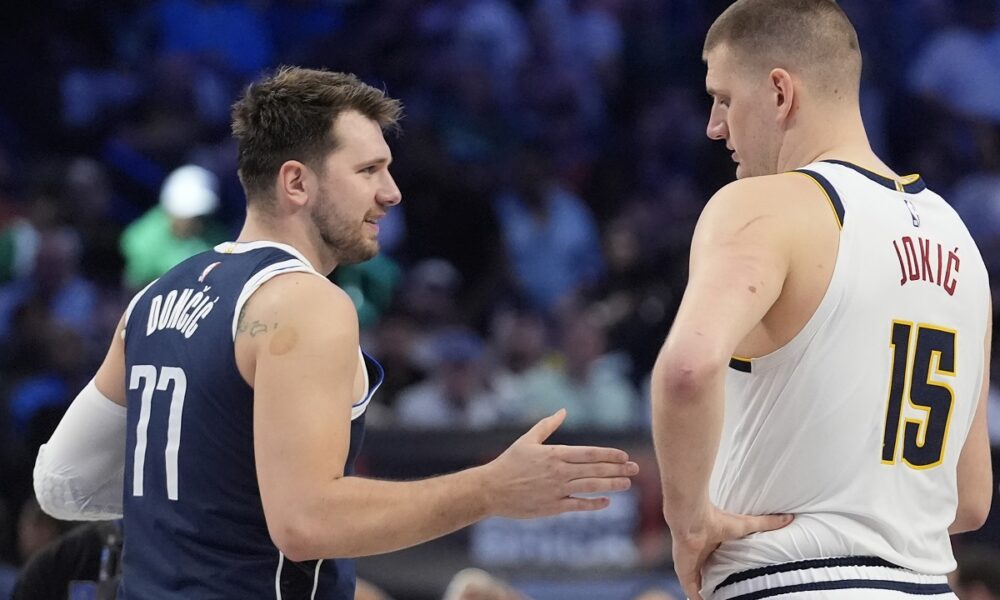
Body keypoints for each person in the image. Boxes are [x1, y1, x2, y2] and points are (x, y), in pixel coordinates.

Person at [32, 67, 638, 599]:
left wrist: (202, 499)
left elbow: (61, 484)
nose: (391, 192)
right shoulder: (306, 303)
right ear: (296, 182)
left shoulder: (154, 298)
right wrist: (490, 489)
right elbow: (306, 523)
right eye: (369, 170)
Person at [650, 2, 992, 600]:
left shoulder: (763, 205)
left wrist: (689, 522)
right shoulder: (958, 236)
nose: (714, 125)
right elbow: (969, 501)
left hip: (788, 580)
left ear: (780, 92)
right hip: (927, 586)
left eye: (724, 98)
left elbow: (686, 370)